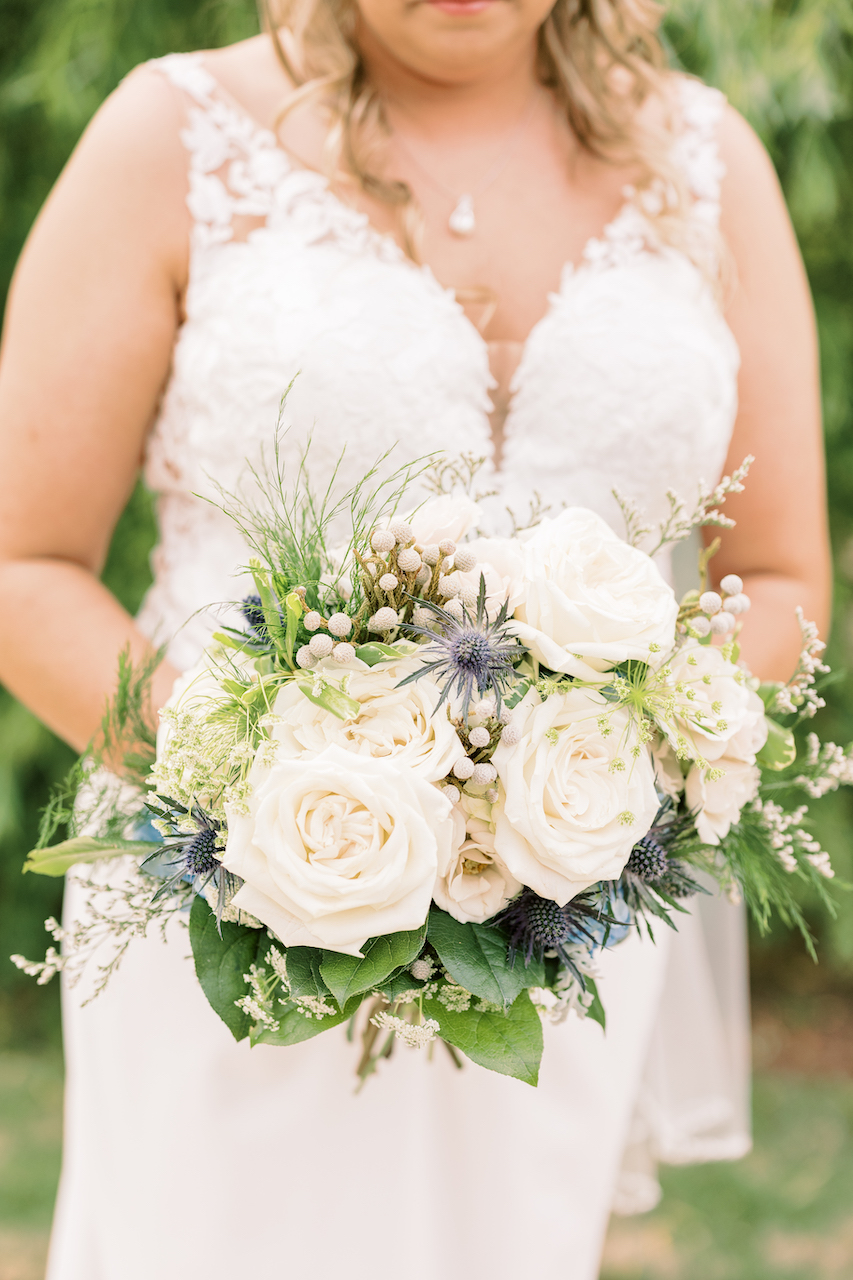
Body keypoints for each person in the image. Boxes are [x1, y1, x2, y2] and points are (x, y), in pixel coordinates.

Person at [0, 0, 830, 1276]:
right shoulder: (170, 137)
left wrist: (573, 794)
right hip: (236, 906)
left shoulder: (706, 161)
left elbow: (774, 573)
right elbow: (21, 562)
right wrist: (253, 798)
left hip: (558, 898)